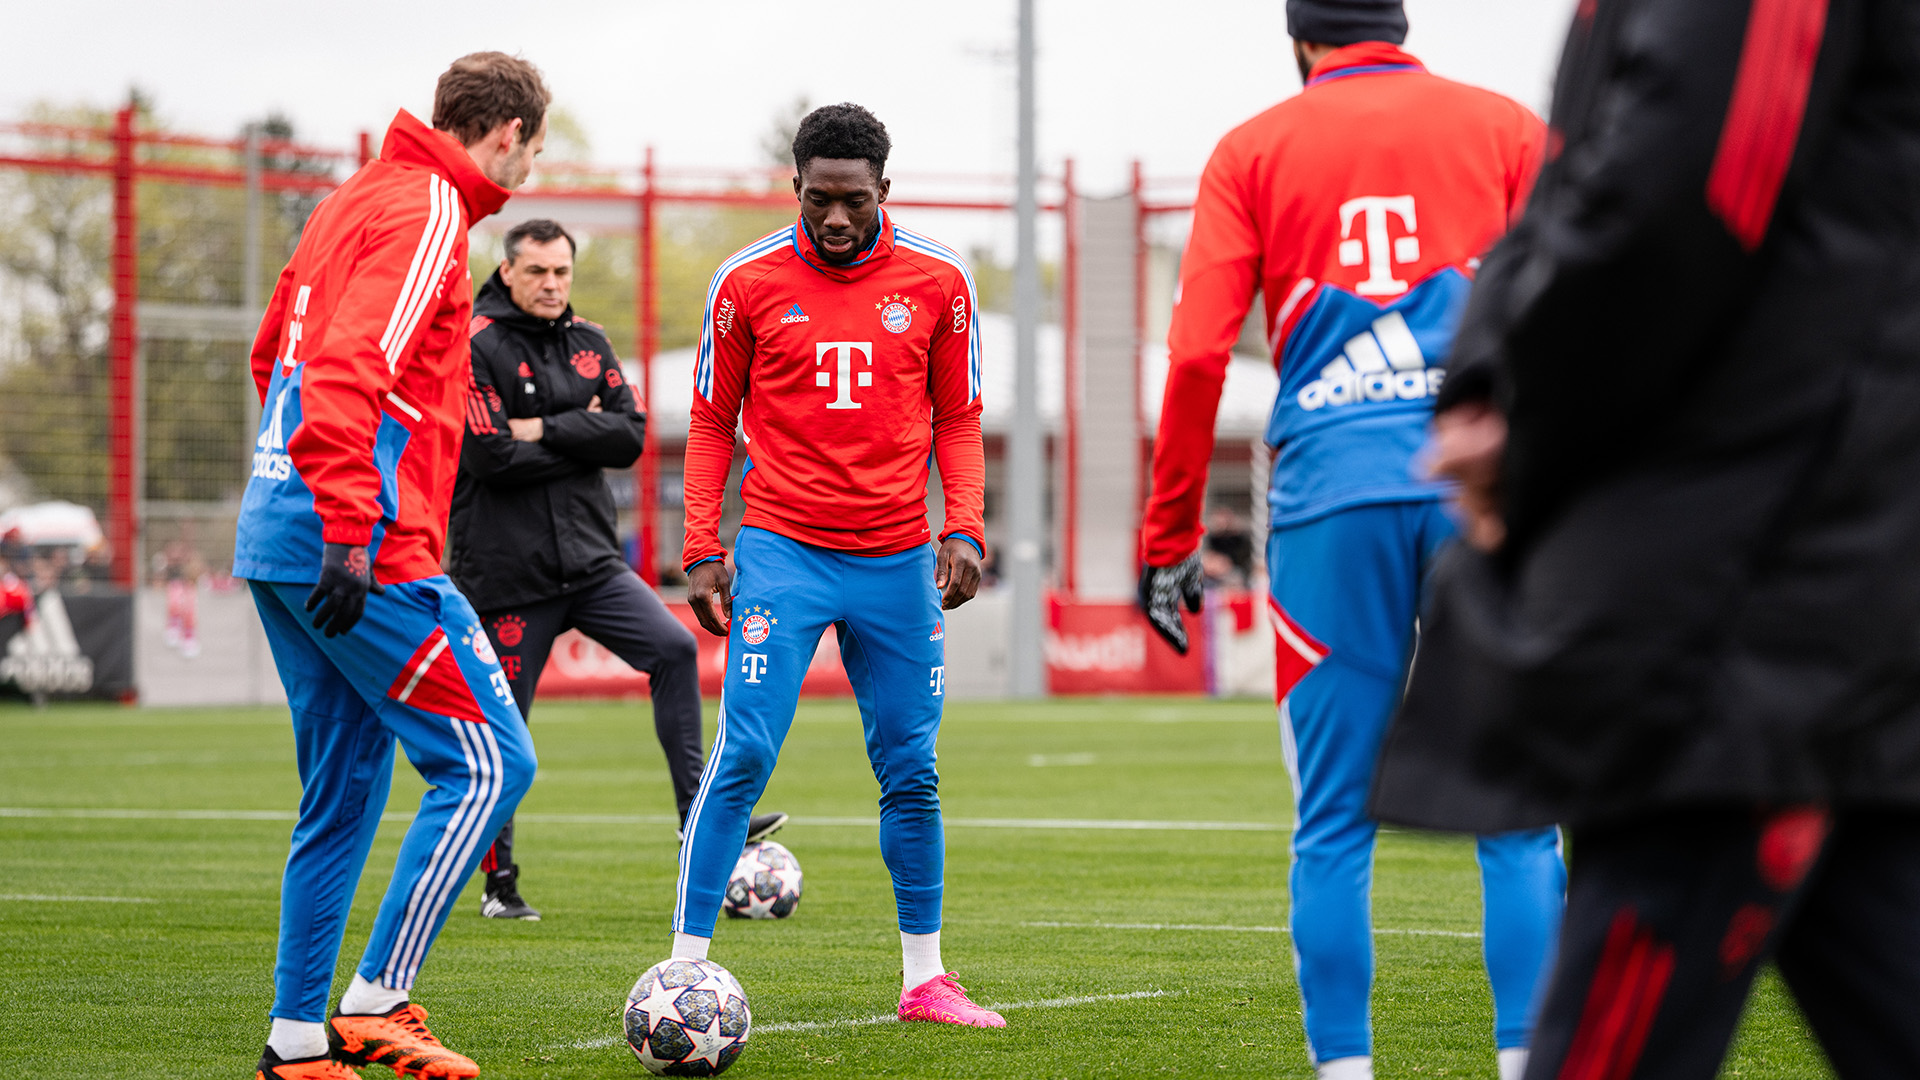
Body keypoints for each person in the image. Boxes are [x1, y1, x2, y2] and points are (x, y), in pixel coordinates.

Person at [1369, 0, 1920, 1076]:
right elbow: (1609, 166)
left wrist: (1521, 407)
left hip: (1746, 571)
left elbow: (1695, 182)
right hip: (1790, 563)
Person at [1136, 3, 1565, 1078]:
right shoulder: (1508, 126)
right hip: (1481, 491)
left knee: (1333, 818)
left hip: (1331, 496)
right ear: (1401, 21)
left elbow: (1195, 359)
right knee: (1517, 815)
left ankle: (1346, 1071)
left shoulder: (1251, 149)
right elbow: (1576, 304)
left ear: (1298, 41)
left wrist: (1170, 535)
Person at [232, 52, 547, 1080]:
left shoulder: (348, 201)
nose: (532, 172)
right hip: (357, 545)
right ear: (504, 135)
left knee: (344, 791)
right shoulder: (426, 211)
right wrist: (348, 518)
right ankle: (376, 1001)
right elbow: (347, 362)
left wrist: (302, 496)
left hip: (285, 533)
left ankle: (295, 1043)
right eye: (535, 151)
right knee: (492, 766)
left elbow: (272, 346)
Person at [672, 103, 1000, 1028]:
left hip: (898, 559)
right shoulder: (745, 282)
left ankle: (925, 981)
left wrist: (965, 528)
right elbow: (709, 422)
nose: (836, 219)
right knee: (743, 755)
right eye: (819, 200)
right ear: (797, 189)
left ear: (883, 190)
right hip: (785, 552)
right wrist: (704, 545)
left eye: (854, 200)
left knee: (912, 769)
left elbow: (958, 420)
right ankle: (683, 973)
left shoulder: (940, 279)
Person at [450, 218, 785, 923]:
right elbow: (486, 455)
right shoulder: (475, 343)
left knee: (670, 648)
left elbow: (629, 437)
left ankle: (696, 818)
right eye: (537, 271)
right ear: (507, 272)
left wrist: (541, 427)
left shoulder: (590, 341)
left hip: (593, 562)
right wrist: (583, 430)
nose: (551, 284)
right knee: (506, 726)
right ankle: (499, 882)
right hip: (508, 575)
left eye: (561, 272)